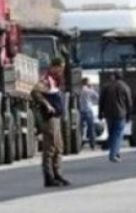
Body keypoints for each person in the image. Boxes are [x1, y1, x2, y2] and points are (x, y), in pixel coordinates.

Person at [31, 57, 70, 187]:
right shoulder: (46, 79)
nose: (62, 71)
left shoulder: (55, 81)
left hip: (56, 118)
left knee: (59, 146)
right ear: (54, 67)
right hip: (49, 118)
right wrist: (47, 105)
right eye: (60, 68)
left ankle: (57, 174)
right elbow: (35, 92)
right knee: (50, 147)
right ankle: (49, 177)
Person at [98, 72, 132, 163]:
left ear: (113, 77)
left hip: (108, 114)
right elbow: (129, 103)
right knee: (118, 134)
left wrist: (100, 113)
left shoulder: (106, 87)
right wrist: (129, 114)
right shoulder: (125, 87)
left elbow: (101, 101)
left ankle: (115, 152)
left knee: (112, 134)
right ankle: (113, 154)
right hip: (120, 114)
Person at [78, 77, 98, 150]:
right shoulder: (89, 91)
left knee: (80, 129)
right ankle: (92, 145)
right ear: (87, 83)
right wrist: (92, 88)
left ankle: (79, 144)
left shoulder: (79, 90)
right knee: (91, 128)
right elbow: (97, 97)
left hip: (80, 111)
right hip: (88, 110)